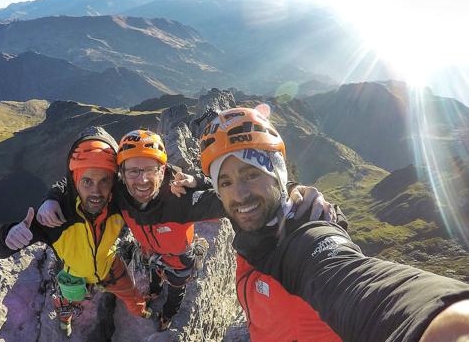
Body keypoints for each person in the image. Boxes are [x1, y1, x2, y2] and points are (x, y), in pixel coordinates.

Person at [198, 104, 469, 342]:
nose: (240, 194)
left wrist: (442, 318)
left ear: (277, 175)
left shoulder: (305, 236)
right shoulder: (248, 217)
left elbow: (347, 274)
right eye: (226, 181)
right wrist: (189, 183)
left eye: (251, 174)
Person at [37, 129, 333, 332]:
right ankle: (154, 293)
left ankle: (166, 314)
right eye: (133, 171)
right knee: (155, 279)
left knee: (176, 288)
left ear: (163, 171)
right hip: (152, 254)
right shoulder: (119, 196)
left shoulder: (183, 201)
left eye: (150, 170)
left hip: (179, 258)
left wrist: (288, 190)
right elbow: (80, 182)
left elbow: (236, 198)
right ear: (122, 175)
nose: (141, 180)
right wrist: (51, 197)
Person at [0, 127, 151, 337]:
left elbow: (151, 190)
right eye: (87, 181)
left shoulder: (119, 203)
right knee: (66, 303)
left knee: (131, 295)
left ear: (114, 182)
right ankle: (65, 320)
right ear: (75, 182)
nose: (96, 191)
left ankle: (141, 311)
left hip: (109, 266)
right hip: (75, 275)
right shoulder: (55, 217)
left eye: (104, 181)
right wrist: (9, 236)